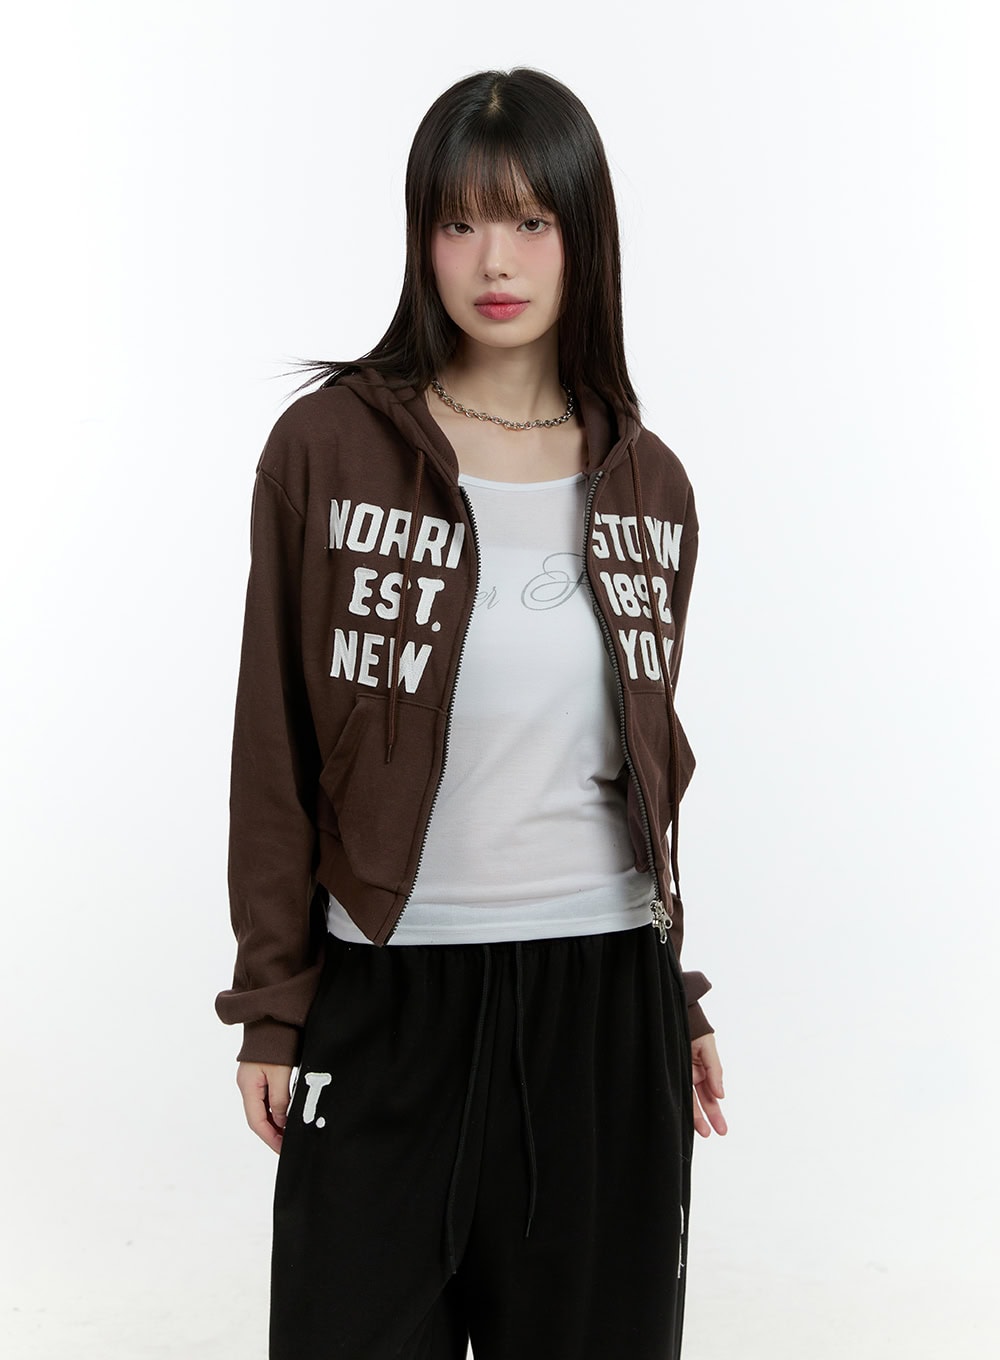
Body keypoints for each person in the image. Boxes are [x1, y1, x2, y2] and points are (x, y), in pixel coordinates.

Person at [216, 66, 727, 1360]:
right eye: (459, 221)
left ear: (583, 234)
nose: (494, 260)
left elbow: (642, 766)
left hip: (603, 1010)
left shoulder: (649, 483)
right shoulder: (329, 451)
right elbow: (273, 746)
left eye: (529, 221)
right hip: (388, 997)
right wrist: (275, 1002)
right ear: (421, 238)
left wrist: (677, 996)